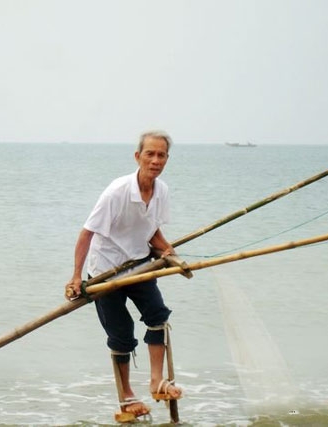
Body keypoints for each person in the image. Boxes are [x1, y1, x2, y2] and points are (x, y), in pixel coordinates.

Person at [65, 130, 183, 419]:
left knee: (158, 316)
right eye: (150, 154)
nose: (155, 160)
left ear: (167, 159)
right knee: (121, 334)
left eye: (161, 155)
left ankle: (157, 381)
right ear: (138, 157)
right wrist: (76, 277)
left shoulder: (162, 191)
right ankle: (126, 396)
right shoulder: (117, 192)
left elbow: (151, 229)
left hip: (140, 265)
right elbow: (86, 234)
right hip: (106, 272)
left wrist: (167, 250)